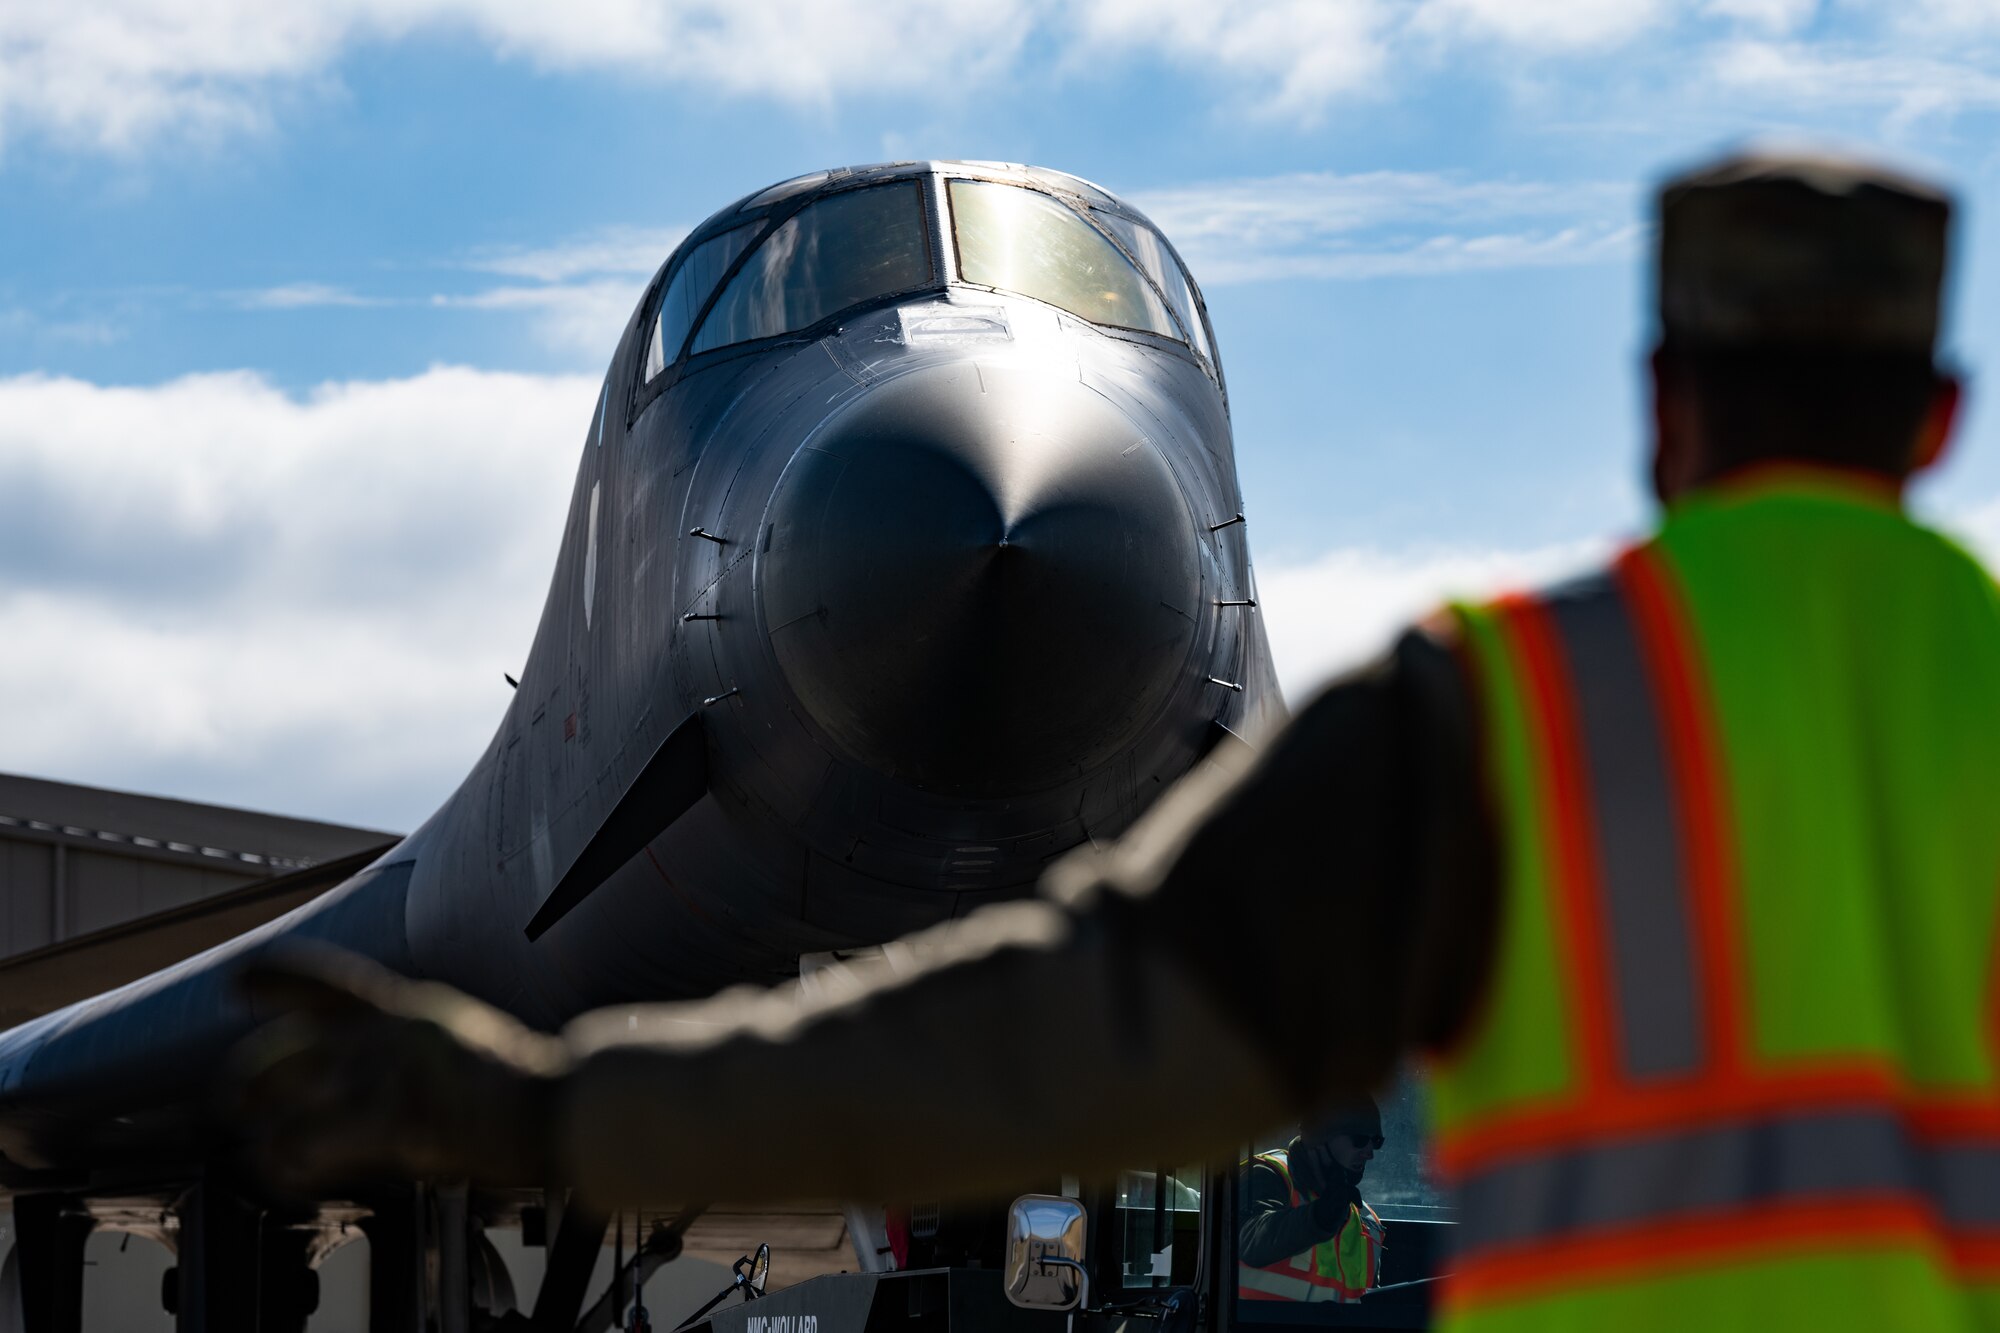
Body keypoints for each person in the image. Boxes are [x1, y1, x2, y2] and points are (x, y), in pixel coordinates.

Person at [237, 147, 2000, 1330]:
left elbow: (1040, 1039)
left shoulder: (1497, 723)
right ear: (1939, 413)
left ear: (1660, 404)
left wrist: (545, 1110)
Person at [1237, 1101, 1385, 1303]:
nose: (1370, 1153)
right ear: (1320, 1136)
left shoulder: (1368, 1223)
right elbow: (1250, 1237)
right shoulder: (1267, 1175)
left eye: (1376, 1141)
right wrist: (1319, 1217)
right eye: (1359, 1140)